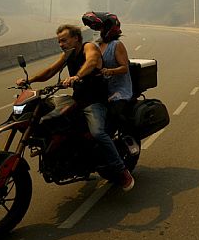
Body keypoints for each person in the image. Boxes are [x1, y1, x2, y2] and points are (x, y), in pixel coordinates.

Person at [15, 23, 134, 191]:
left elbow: (92, 62)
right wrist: (30, 80)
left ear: (76, 38)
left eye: (64, 40)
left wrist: (77, 76)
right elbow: (50, 70)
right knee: (48, 120)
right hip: (77, 100)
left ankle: (121, 170)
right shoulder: (68, 54)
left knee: (98, 133)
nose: (61, 44)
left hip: (95, 102)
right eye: (59, 42)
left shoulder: (89, 47)